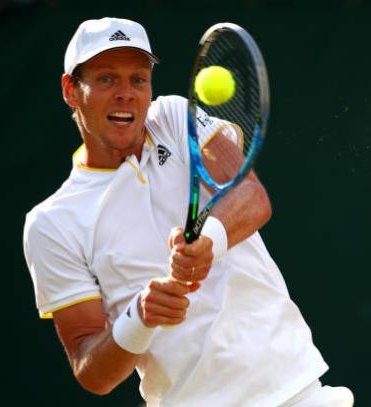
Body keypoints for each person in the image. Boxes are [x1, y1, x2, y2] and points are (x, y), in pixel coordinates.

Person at [23, 17, 354, 407]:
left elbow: (252, 197)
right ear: (71, 91)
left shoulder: (177, 119)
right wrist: (140, 319)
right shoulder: (51, 224)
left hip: (294, 392)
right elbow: (91, 371)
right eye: (107, 79)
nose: (126, 94)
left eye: (138, 79)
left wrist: (207, 244)